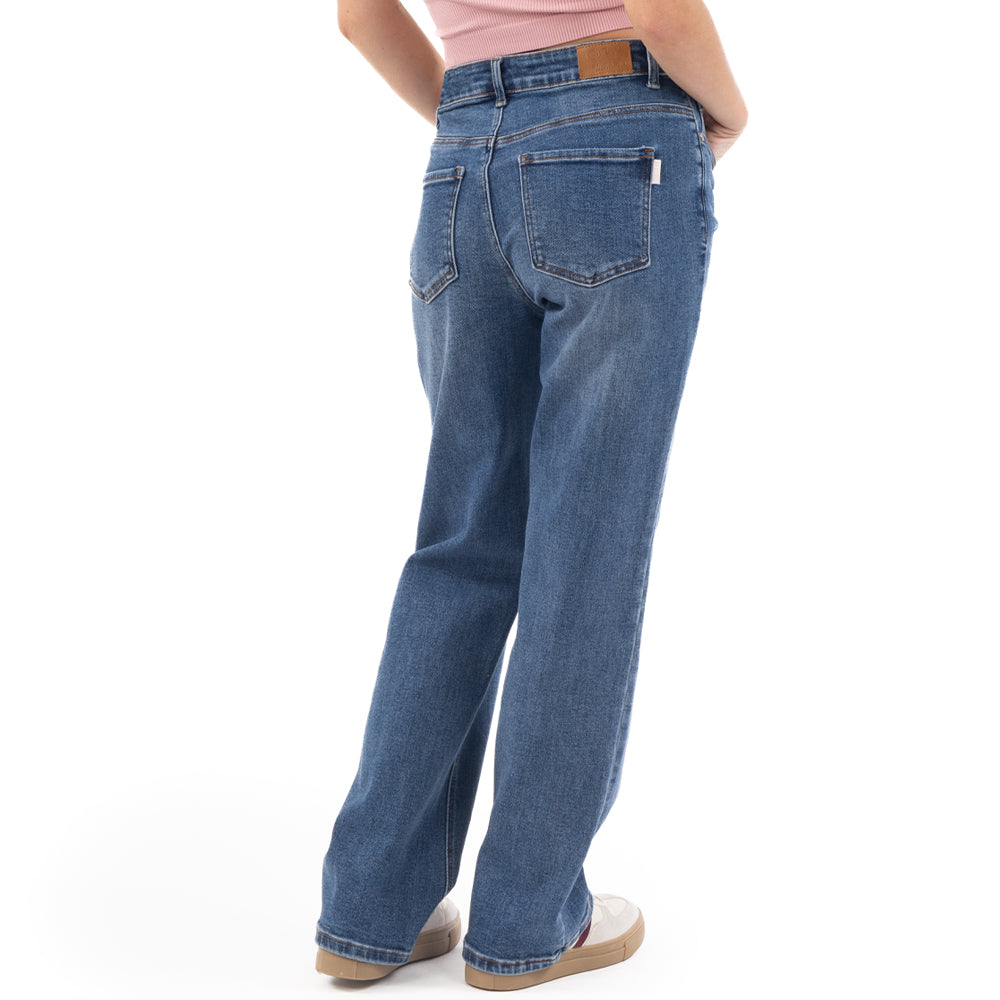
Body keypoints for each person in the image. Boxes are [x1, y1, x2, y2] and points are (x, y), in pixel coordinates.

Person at [316, 0, 748, 990]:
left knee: (461, 548)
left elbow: (358, 15)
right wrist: (727, 113)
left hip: (462, 162)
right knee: (585, 552)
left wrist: (485, 119)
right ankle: (526, 921)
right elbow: (663, 12)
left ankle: (369, 910)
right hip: (617, 137)